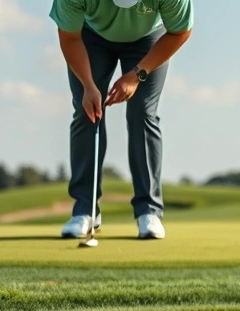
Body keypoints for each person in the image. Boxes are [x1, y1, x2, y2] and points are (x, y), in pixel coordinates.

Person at [50, 0, 194, 240]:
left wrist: (137, 75)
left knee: (142, 112)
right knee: (88, 112)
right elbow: (69, 37)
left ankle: (149, 211)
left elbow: (180, 31)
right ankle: (85, 211)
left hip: (149, 39)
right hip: (90, 37)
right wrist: (88, 85)